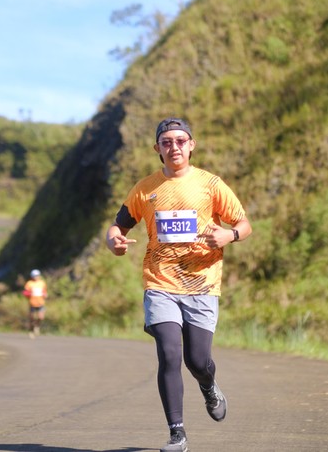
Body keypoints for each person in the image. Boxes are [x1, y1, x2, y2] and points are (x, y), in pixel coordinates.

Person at [106, 118, 252, 452]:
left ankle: (209, 386)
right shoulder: (145, 188)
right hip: (160, 282)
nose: (174, 147)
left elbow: (244, 224)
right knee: (169, 353)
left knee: (197, 361)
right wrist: (113, 241)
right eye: (167, 142)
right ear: (157, 148)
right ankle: (177, 433)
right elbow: (117, 227)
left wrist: (229, 235)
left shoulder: (211, 184)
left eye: (181, 140)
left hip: (202, 283)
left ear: (191, 145)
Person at [23, 269, 48, 338]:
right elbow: (25, 292)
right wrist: (29, 294)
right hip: (32, 303)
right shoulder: (29, 283)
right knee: (32, 318)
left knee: (41, 317)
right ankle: (31, 330)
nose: (36, 277)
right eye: (35, 276)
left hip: (41, 303)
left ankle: (37, 326)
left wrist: (45, 295)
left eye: (37, 275)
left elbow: (44, 291)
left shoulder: (42, 283)